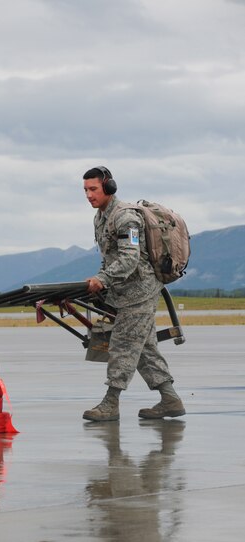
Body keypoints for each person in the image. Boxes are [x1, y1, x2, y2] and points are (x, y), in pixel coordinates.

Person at [82, 166, 185, 421]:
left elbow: (130, 259)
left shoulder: (126, 217)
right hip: (122, 292)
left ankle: (110, 403)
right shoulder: (100, 217)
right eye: (85, 190)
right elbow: (109, 258)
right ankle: (170, 399)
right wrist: (100, 283)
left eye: (93, 189)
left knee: (124, 345)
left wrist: (102, 279)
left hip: (140, 291)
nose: (88, 195)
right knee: (145, 347)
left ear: (109, 187)